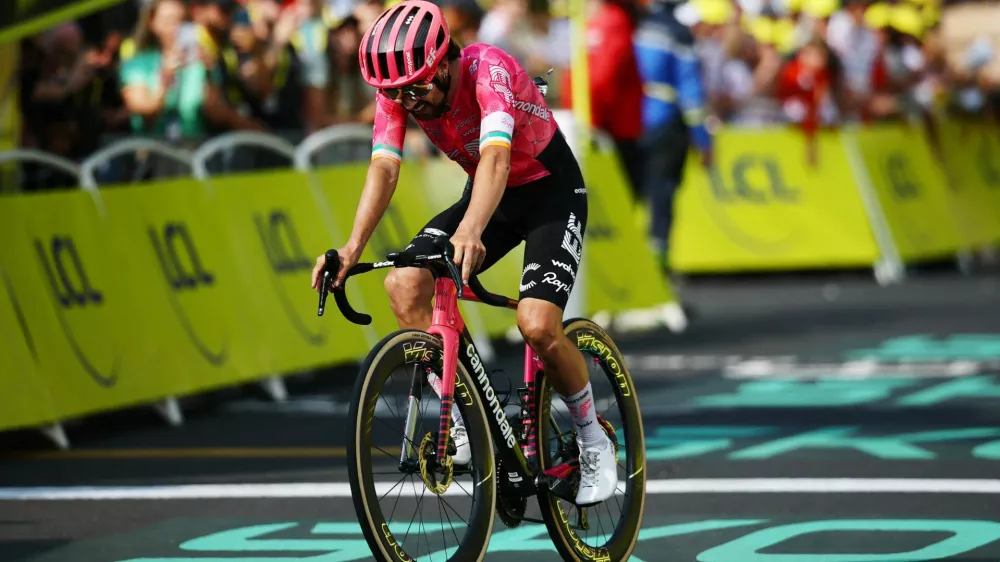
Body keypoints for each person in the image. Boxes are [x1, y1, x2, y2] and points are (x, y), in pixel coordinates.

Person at [309, 0, 618, 506]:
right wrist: (349, 248)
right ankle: (468, 416)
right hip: (488, 195)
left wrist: (472, 228)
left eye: (417, 88)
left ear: (445, 61)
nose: (409, 103)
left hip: (549, 194)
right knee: (404, 283)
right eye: (396, 95)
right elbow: (385, 168)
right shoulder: (402, 91)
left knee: (538, 326)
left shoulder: (489, 69)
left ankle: (592, 437)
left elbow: (497, 157)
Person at [634, 0, 717, 276]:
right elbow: (691, 93)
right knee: (662, 200)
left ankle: (633, 271)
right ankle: (657, 274)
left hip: (632, 122)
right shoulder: (681, 35)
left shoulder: (638, 24)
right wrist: (703, 141)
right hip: (666, 125)